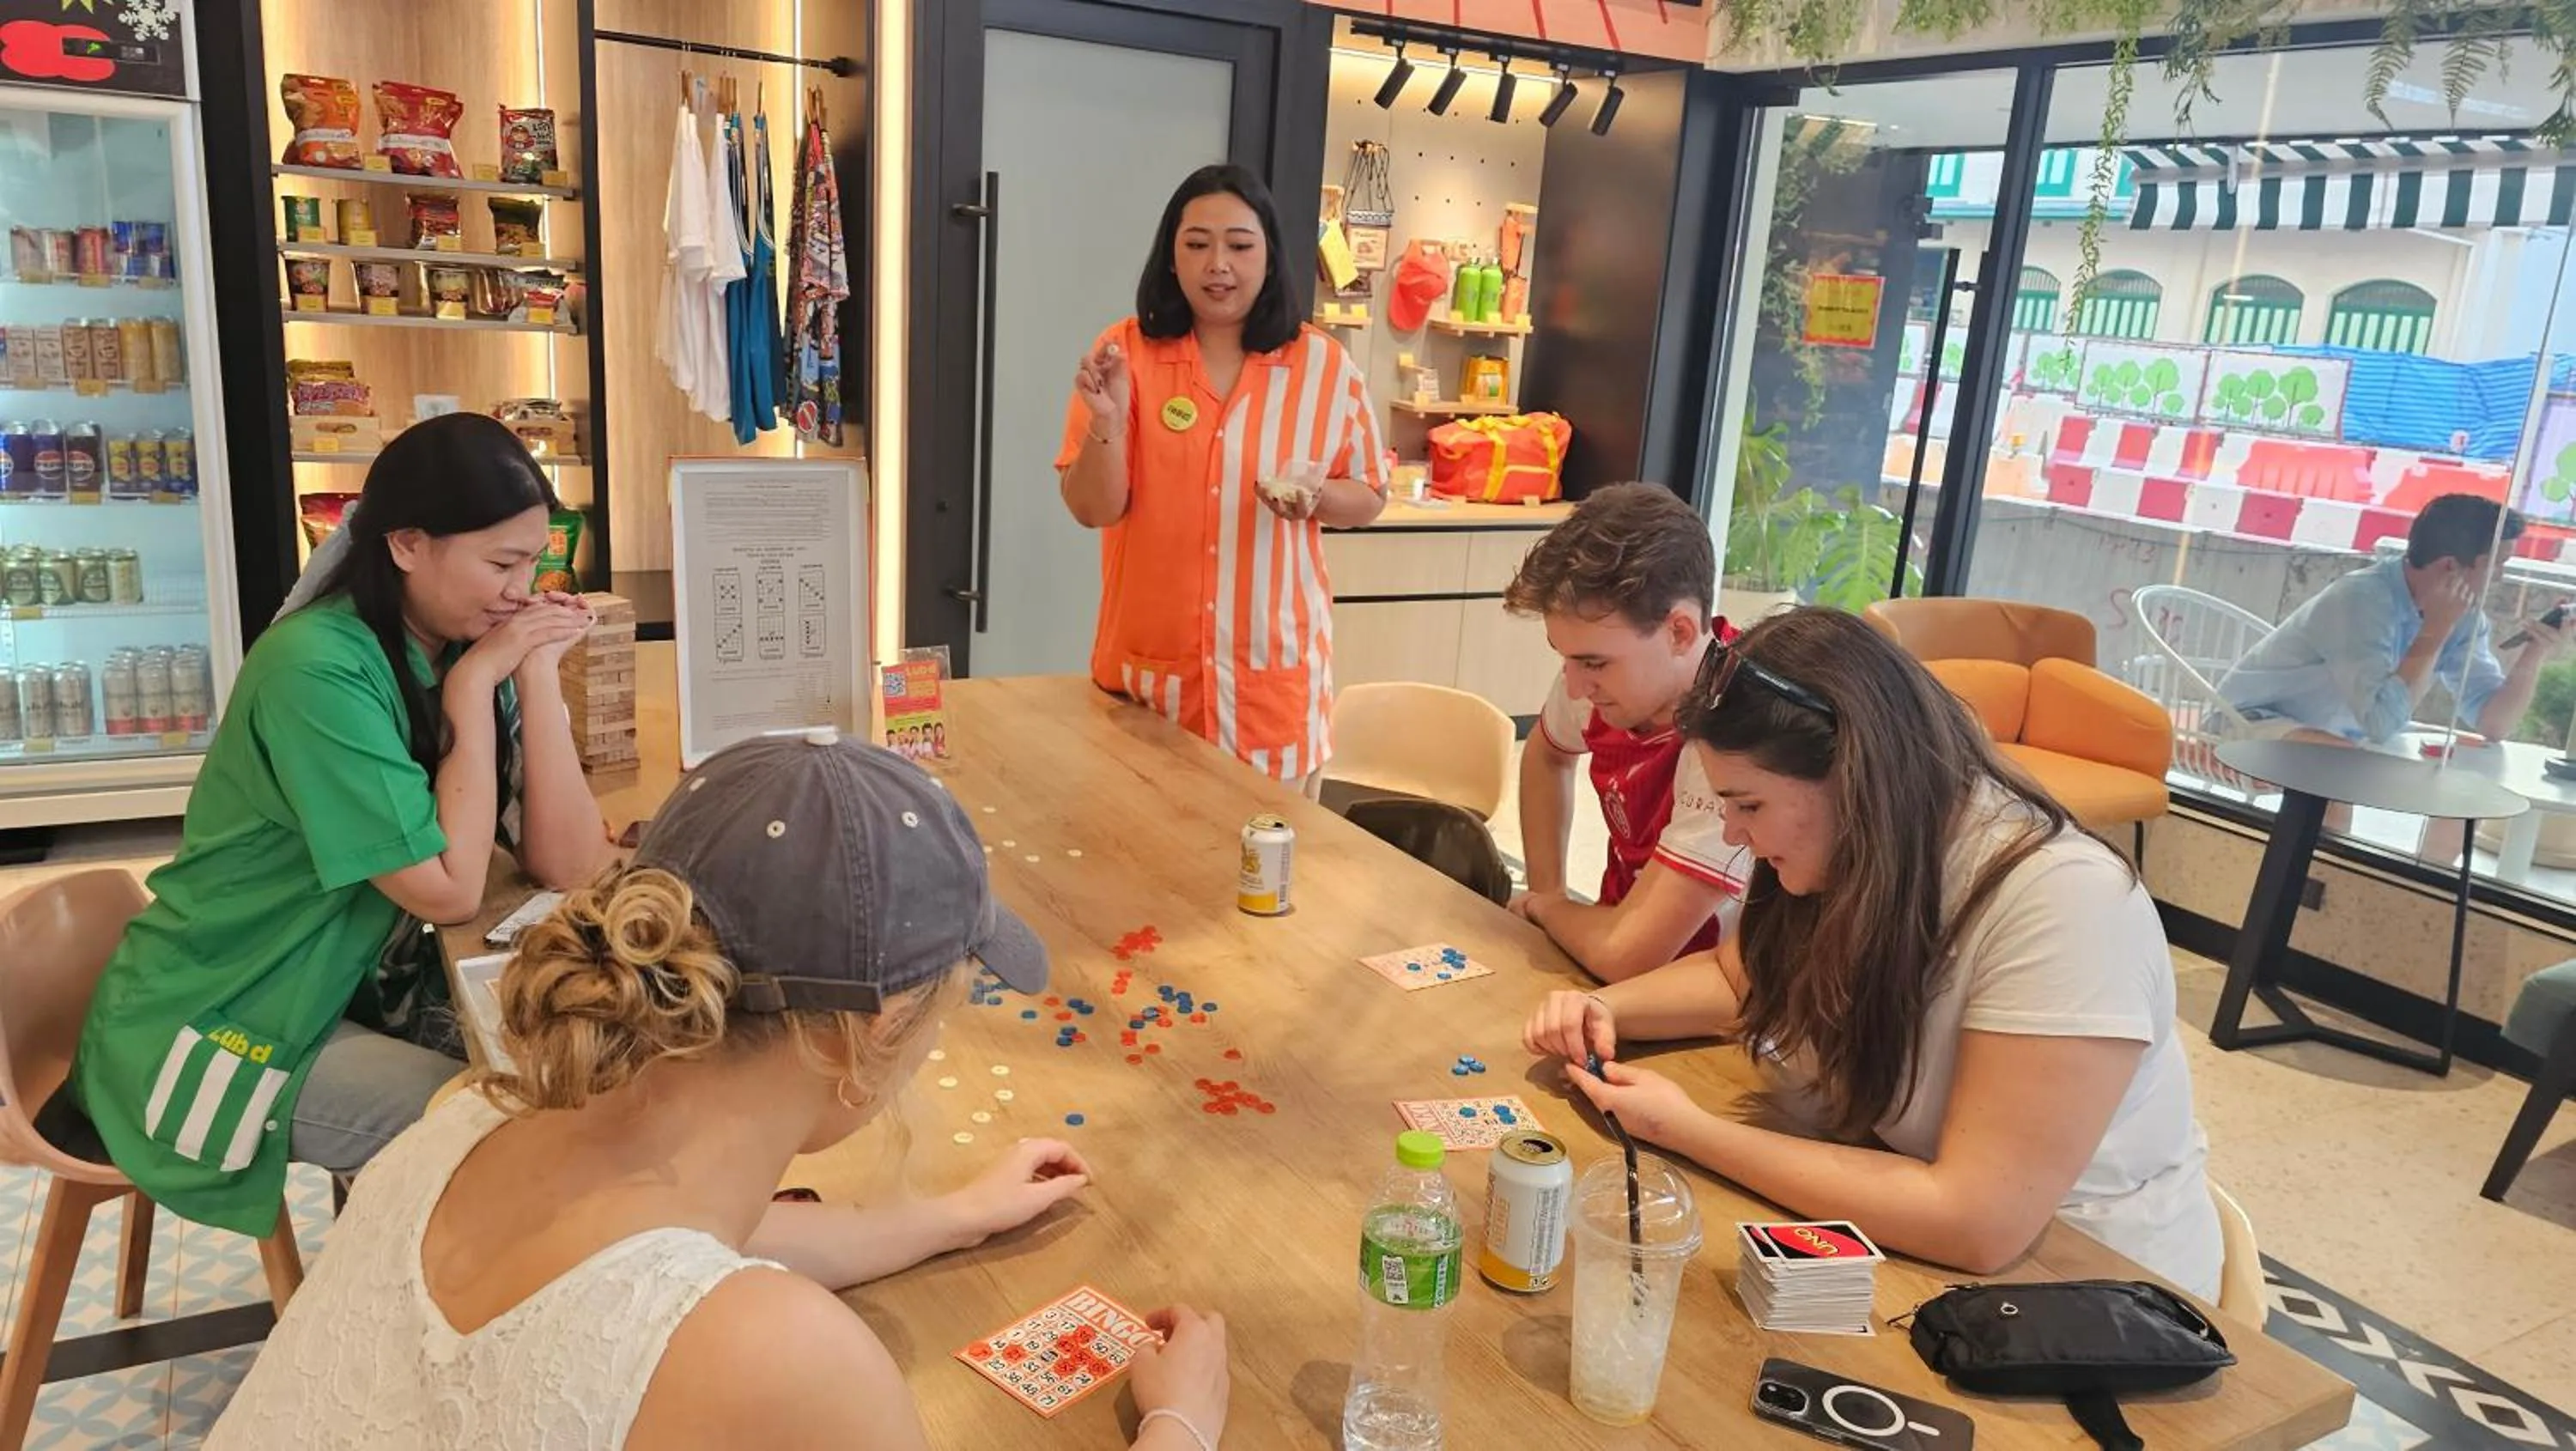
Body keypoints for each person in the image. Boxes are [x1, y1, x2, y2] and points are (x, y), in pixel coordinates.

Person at [206, 731, 1230, 1451]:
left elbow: (679, 1264)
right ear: (872, 1029)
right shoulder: (778, 1356)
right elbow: (706, 1303)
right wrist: (1181, 1423)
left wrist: (954, 1216)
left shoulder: (477, 1112)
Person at [1524, 610, 2221, 1298]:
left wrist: (1689, 1132)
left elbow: (1977, 1221)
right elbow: (1739, 978)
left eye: (1750, 806)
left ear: (1854, 778)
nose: (1734, 833)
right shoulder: (1852, 846)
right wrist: (1600, 1008)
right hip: (1909, 1221)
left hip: (2092, 1288)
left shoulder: (2069, 906)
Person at [67, 414, 607, 1241]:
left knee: (592, 1075)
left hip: (340, 979)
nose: (522, 588)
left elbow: (569, 862)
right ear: (406, 544)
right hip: (233, 1013)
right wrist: (473, 695)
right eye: (501, 562)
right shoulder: (316, 668)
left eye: (534, 560)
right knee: (513, 1136)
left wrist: (532, 670)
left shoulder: (457, 641)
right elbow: (449, 892)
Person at [1060, 163, 1389, 791]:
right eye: (1197, 244)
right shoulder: (1123, 354)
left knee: (1265, 881)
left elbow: (1369, 496)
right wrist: (1106, 424)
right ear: (1171, 257)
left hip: (1273, 691)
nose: (1219, 264)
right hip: (1147, 687)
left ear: (1269, 256)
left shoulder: (1323, 365)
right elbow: (1093, 510)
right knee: (1139, 877)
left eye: (1240, 245)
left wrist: (1317, 498)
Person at [1501, 483, 1750, 982]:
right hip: (1602, 955)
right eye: (1564, 656)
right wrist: (1550, 889)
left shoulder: (1737, 731)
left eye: (1593, 662)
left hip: (1707, 1003)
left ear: (1679, 632)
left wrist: (1543, 908)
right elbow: (1547, 756)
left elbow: (1628, 953)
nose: (1573, 683)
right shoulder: (1594, 677)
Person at [2220, 493, 2567, 750]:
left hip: (2341, 733)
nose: (2500, 578)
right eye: (2497, 564)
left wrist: (2534, 653)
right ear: (2450, 567)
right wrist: (2434, 631)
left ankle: (2432, 854)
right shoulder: (2360, 601)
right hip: (2250, 719)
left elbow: (2493, 725)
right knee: (2340, 764)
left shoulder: (2464, 617)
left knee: (2464, 759)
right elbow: (2380, 723)